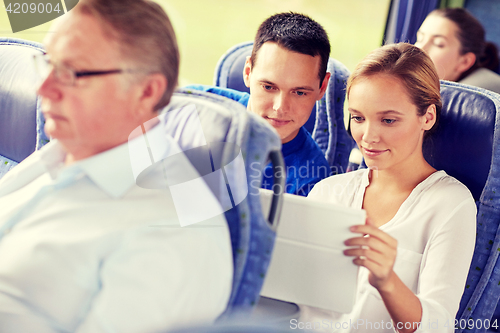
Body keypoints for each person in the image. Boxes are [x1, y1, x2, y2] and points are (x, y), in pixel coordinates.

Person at [0, 0, 233, 332]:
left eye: (71, 73)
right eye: (48, 63)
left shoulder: (175, 233)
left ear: (147, 91)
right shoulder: (58, 154)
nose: (43, 88)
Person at [300, 43, 476, 332]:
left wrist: (387, 281)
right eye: (358, 118)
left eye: (388, 120)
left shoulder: (450, 204)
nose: (368, 137)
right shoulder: (327, 192)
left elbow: (439, 325)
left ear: (427, 117)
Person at [188, 12, 333, 196]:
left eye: (299, 92)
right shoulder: (192, 106)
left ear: (322, 87)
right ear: (248, 72)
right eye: (269, 87)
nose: (280, 107)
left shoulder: (313, 183)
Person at [415, 7, 500, 94]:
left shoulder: (474, 97)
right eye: (420, 39)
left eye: (438, 44)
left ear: (465, 62)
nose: (419, 49)